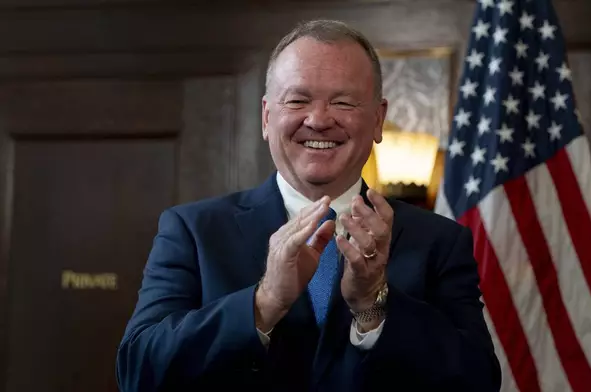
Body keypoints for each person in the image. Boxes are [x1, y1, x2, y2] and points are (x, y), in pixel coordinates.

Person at [116, 19, 501, 392]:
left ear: (379, 119)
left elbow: (478, 380)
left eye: (343, 102)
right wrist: (264, 302)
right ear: (267, 117)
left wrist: (373, 306)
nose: (318, 120)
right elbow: (138, 372)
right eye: (298, 100)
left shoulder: (439, 241)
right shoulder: (194, 230)